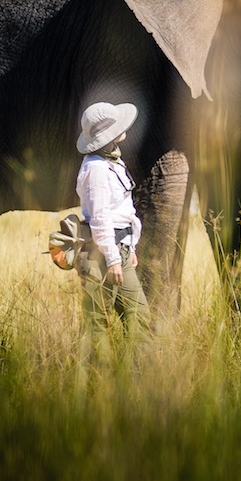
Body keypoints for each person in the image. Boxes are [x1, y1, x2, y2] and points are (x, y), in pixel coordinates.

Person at [75, 101, 151, 359]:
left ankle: (138, 385)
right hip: (101, 254)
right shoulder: (96, 168)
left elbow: (124, 211)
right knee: (98, 324)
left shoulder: (113, 160)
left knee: (139, 317)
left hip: (118, 250)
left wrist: (130, 246)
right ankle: (97, 389)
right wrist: (113, 258)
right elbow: (99, 218)